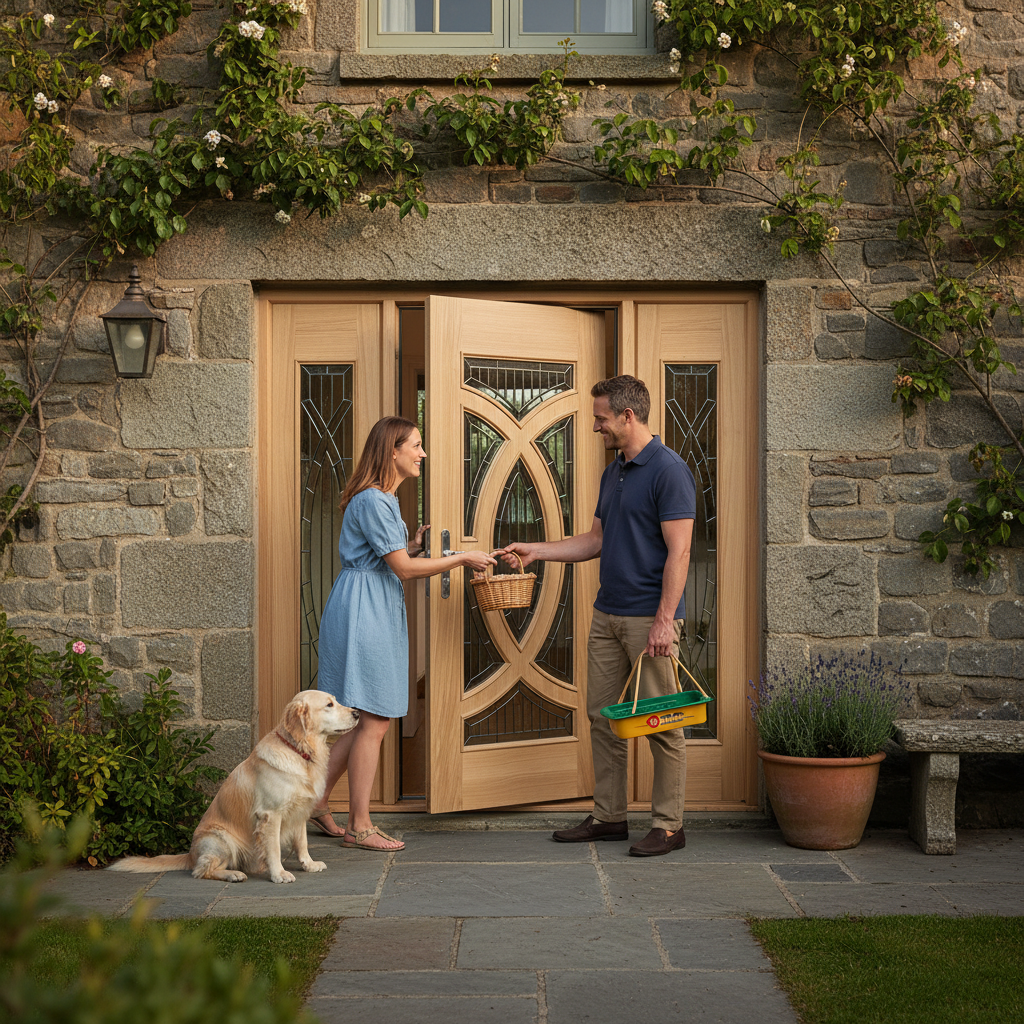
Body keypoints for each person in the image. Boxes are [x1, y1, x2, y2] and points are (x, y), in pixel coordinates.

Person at [498, 375, 696, 856]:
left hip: (650, 620)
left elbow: (681, 552)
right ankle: (609, 816)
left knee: (661, 721)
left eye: (601, 418)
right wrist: (538, 551)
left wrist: (664, 620)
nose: (595, 427)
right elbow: (596, 540)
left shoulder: (669, 471)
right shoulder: (616, 472)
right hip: (607, 615)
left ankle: (669, 825)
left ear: (628, 416)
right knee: (604, 718)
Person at [309, 416, 496, 851]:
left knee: (361, 717)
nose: (422, 453)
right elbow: (405, 570)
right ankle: (360, 825)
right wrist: (460, 559)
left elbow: (390, 558)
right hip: (364, 611)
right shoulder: (375, 501)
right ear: (391, 451)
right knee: (373, 717)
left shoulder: (383, 500)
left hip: (368, 603)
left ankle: (317, 804)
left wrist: (408, 545)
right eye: (415, 445)